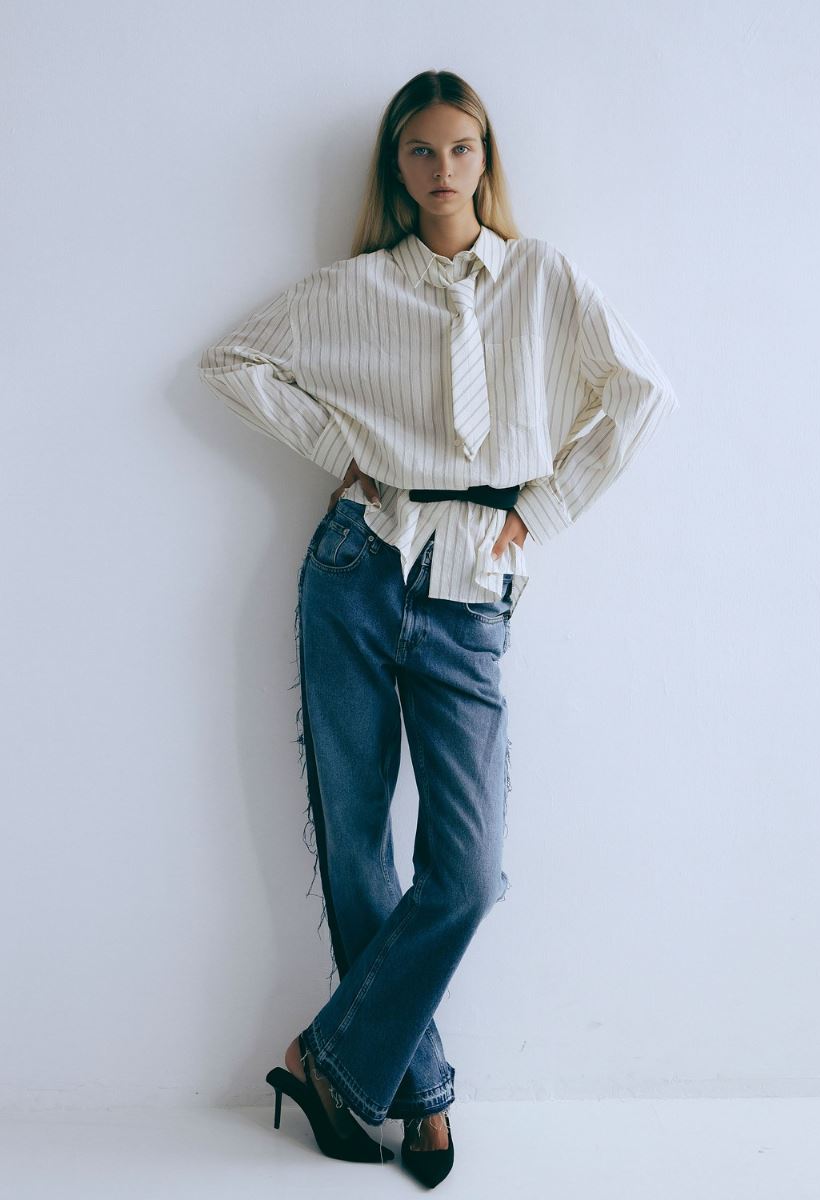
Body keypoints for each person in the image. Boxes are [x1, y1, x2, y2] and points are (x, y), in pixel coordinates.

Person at [198, 68, 679, 1187]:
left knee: (465, 871)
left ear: (485, 159)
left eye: (461, 148)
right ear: (395, 167)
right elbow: (231, 363)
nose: (442, 169)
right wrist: (339, 451)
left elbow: (640, 393)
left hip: (473, 584)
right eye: (420, 150)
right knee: (356, 846)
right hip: (358, 563)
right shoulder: (354, 288)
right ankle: (417, 1095)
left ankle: (323, 1061)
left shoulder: (542, 278)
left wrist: (543, 509)